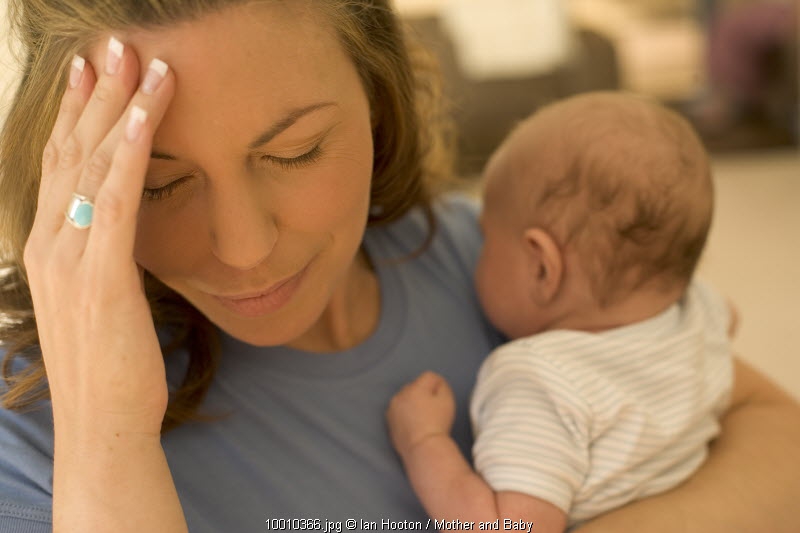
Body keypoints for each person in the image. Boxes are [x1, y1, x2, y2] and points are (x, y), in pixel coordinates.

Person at [0, 2, 797, 532]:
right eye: (160, 183)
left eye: (295, 150)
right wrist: (108, 438)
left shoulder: (482, 256)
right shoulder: (30, 431)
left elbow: (777, 437)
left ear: (379, 101)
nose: (242, 249)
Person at [386, 92, 736, 532]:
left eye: (487, 239)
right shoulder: (699, 309)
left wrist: (424, 440)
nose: (477, 253)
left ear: (542, 268)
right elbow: (732, 318)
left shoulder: (541, 382)